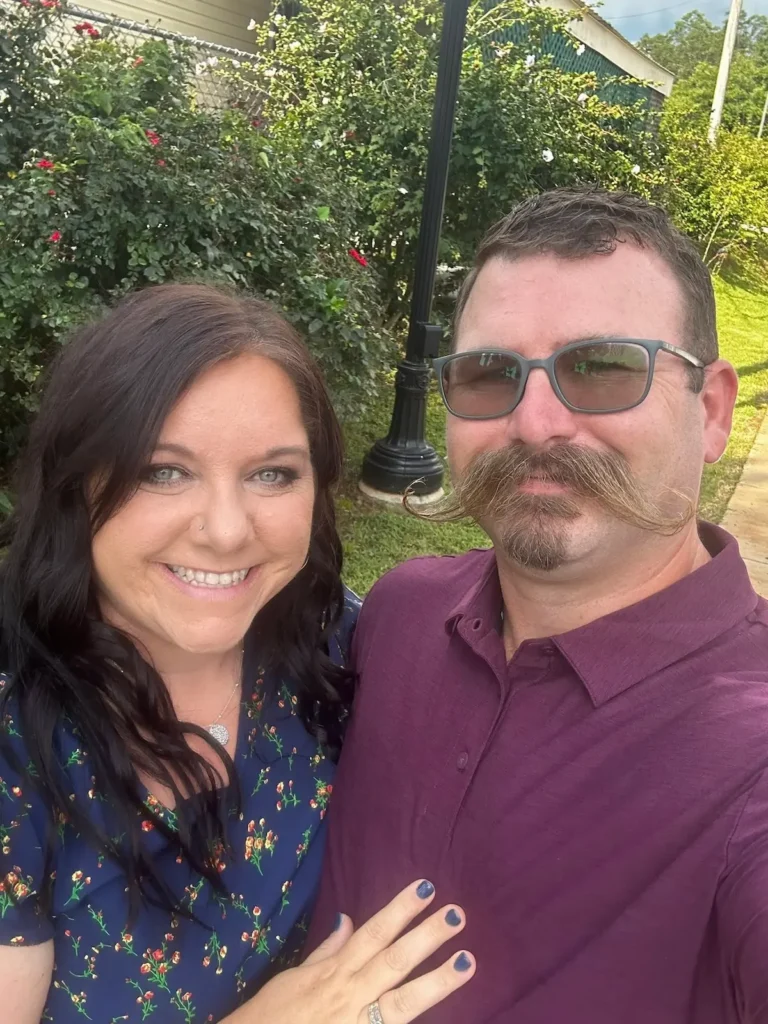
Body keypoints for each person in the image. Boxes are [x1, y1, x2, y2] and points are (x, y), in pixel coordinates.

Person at [308, 188, 768, 1023]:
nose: (536, 422)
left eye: (600, 368)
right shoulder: (399, 615)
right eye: (489, 374)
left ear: (711, 411)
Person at [0, 284, 475, 1024]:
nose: (225, 531)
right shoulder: (17, 740)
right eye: (164, 470)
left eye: (272, 474)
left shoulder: (340, 649)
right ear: (76, 484)